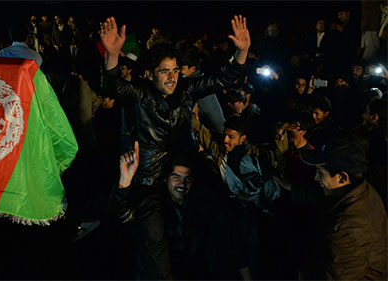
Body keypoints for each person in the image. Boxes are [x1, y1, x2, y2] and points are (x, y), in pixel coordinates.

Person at [100, 15, 250, 280]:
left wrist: (242, 51)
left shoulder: (187, 90)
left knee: (223, 218)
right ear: (150, 74)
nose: (171, 77)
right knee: (154, 241)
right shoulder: (140, 95)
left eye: (175, 70)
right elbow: (117, 86)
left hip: (187, 171)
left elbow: (221, 80)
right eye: (164, 71)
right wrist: (112, 57)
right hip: (151, 180)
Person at [110, 142, 251, 280]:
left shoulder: (199, 206)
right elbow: (123, 216)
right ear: (166, 179)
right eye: (176, 177)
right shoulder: (154, 206)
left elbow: (228, 235)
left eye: (187, 178)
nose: (182, 184)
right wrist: (124, 181)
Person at [286, 138, 387, 280]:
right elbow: (325, 199)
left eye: (320, 172)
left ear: (341, 178)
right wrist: (291, 188)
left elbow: (335, 277)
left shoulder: (351, 228)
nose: (316, 178)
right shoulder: (358, 190)